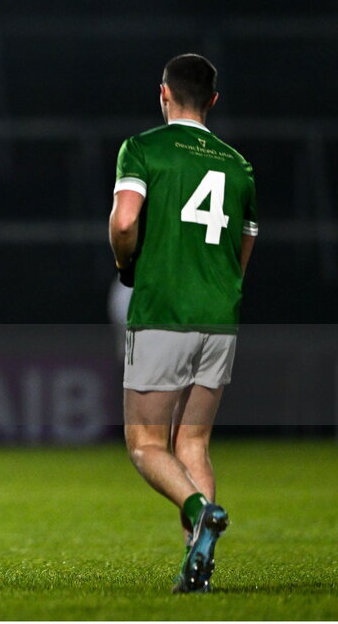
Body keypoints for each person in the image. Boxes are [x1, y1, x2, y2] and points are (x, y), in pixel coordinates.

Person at [109, 54, 257, 593]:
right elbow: (244, 247)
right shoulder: (238, 165)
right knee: (192, 444)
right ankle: (198, 570)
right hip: (220, 318)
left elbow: (125, 222)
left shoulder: (144, 148)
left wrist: (127, 264)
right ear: (213, 100)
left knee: (146, 444)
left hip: (164, 312)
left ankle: (201, 511)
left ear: (164, 93)